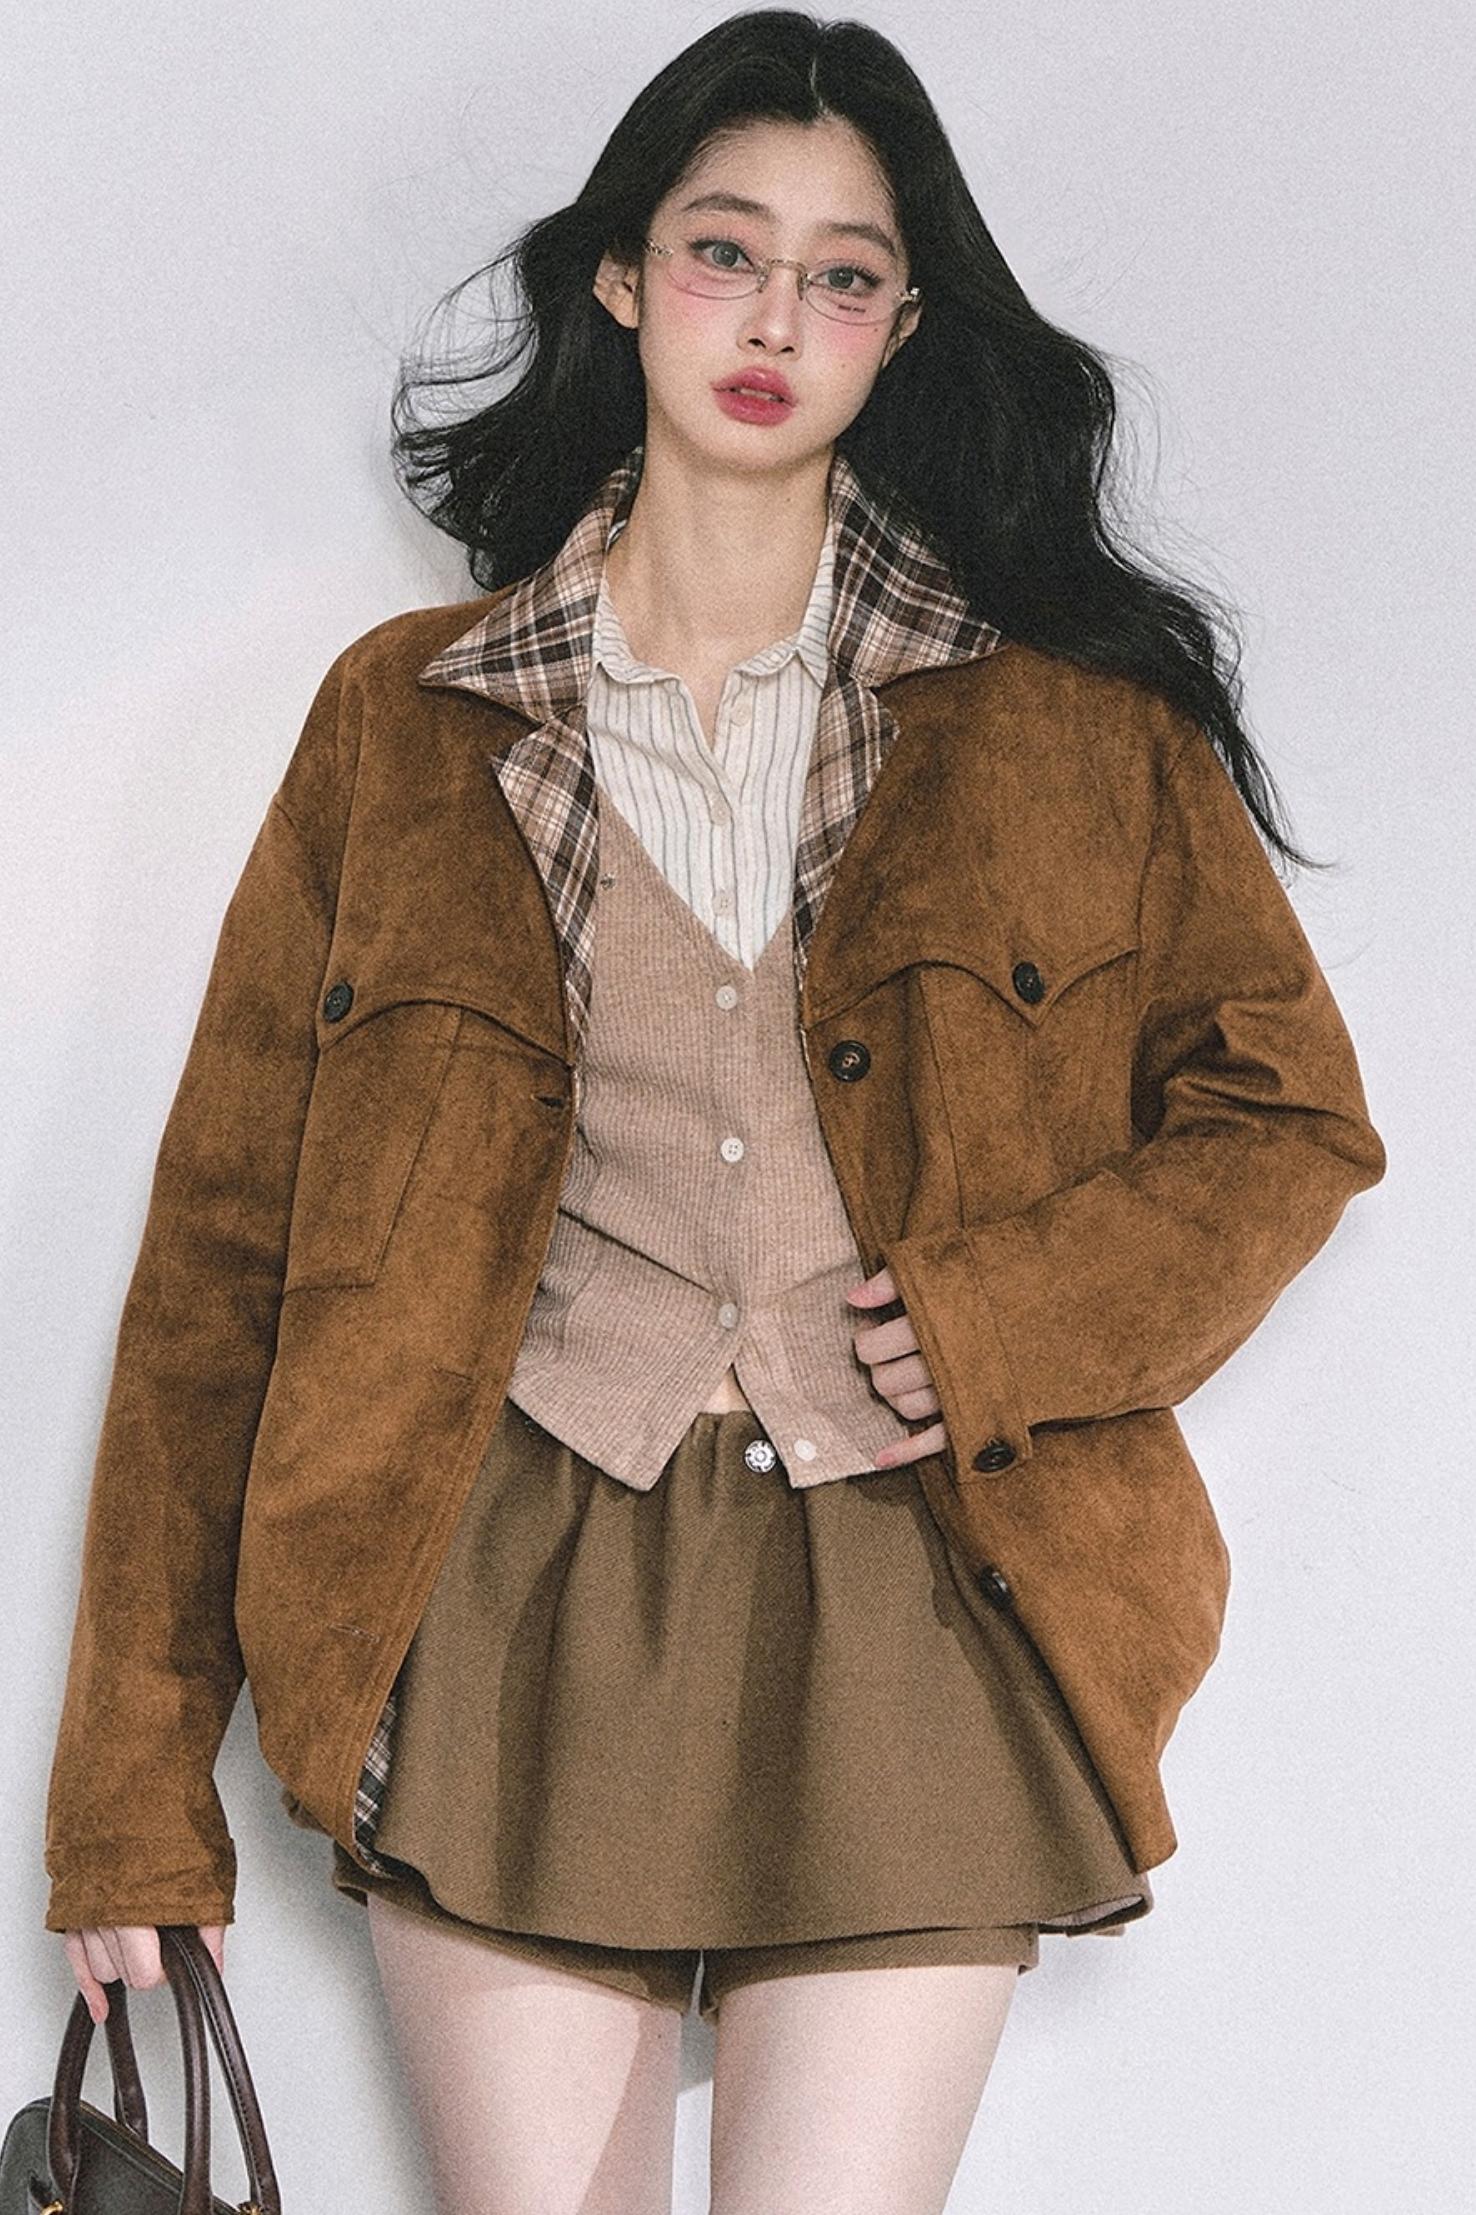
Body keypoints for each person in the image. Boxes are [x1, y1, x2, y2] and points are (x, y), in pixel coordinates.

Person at [45, 11, 1386, 2212]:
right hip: (505, 1586)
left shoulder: (1070, 731)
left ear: (905, 325)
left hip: (919, 1586)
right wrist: (128, 1794)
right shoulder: (405, 724)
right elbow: (221, 1256)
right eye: (724, 251)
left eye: (845, 275)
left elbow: (1288, 1117)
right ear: (622, 275)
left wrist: (1001, 1318)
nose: (776, 319)